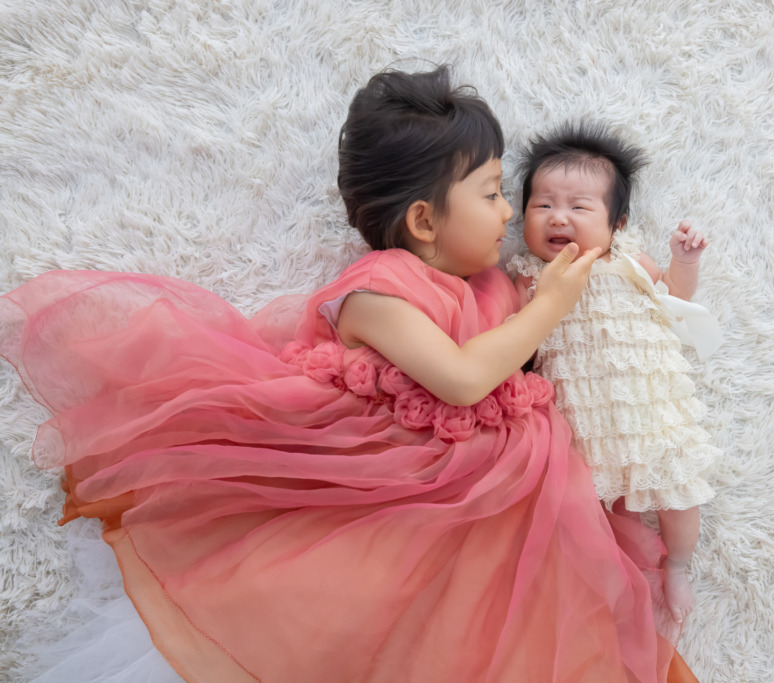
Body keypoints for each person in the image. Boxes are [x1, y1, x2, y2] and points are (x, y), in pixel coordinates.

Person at [0, 67, 698, 682]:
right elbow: (461, 380)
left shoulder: (494, 283)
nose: (510, 212)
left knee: (491, 618)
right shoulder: (379, 289)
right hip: (390, 480)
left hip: (496, 492)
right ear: (423, 219)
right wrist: (548, 306)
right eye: (491, 194)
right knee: (366, 602)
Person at [511, 121, 724, 626]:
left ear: (617, 224)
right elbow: (518, 340)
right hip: (584, 421)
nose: (558, 216)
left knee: (678, 491)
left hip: (652, 410)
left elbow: (674, 297)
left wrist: (683, 261)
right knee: (598, 510)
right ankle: (615, 579)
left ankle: (677, 564)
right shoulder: (529, 275)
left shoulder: (629, 260)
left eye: (579, 207)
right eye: (543, 205)